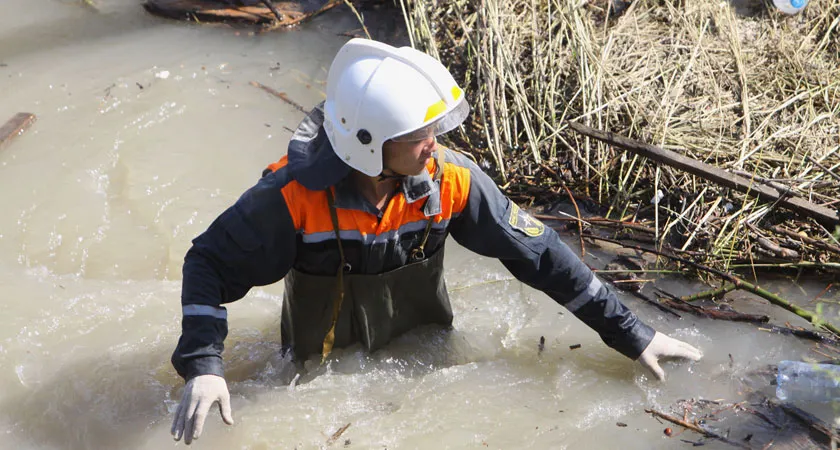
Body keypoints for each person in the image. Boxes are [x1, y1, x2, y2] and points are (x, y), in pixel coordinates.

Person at [169, 38, 703, 444]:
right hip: (315, 376)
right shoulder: (289, 198)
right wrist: (204, 367)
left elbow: (540, 255)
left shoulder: (451, 180)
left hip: (423, 362)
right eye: (419, 136)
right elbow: (208, 263)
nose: (435, 144)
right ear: (368, 146)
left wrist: (632, 334)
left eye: (435, 131)